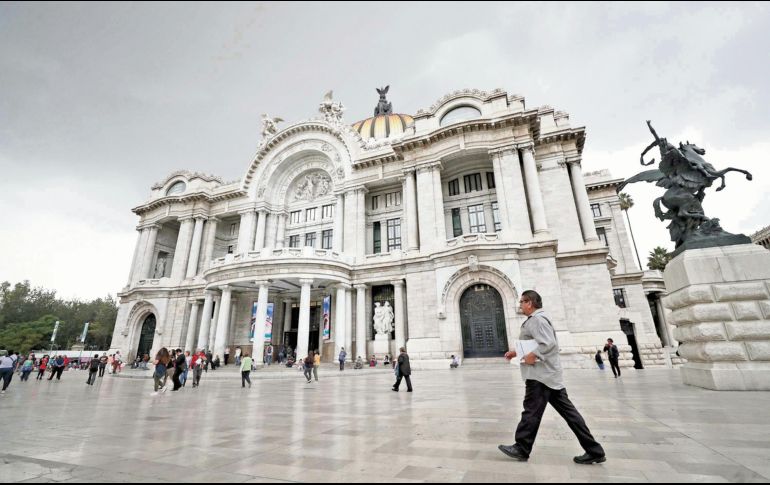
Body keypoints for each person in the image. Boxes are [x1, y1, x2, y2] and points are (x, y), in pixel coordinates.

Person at [498, 290, 605, 465]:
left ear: (530, 303)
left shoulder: (537, 320)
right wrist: (516, 352)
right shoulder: (538, 319)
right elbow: (535, 343)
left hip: (540, 376)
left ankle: (521, 447)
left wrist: (535, 355)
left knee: (530, 412)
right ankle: (594, 450)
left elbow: (548, 344)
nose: (520, 306)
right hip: (549, 376)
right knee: (570, 414)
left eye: (522, 302)